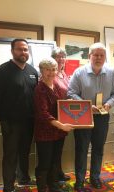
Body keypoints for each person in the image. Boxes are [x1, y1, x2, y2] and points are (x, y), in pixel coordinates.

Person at [0, 39, 38, 192]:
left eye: (25, 50)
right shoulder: (2, 71)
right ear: (12, 51)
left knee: (25, 152)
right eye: (19, 49)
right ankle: (9, 189)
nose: (23, 52)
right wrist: (5, 117)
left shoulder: (32, 71)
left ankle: (24, 178)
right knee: (10, 156)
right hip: (11, 122)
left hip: (29, 121)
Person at [67, 42, 114, 192]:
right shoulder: (79, 73)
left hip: (102, 117)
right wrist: (85, 105)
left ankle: (95, 177)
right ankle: (79, 180)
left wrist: (110, 104)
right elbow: (71, 92)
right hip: (84, 117)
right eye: (95, 55)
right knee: (82, 149)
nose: (98, 58)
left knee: (98, 148)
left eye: (101, 55)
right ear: (89, 56)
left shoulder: (111, 73)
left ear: (105, 57)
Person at [34, 57, 74, 192]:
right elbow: (43, 114)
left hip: (58, 132)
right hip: (45, 132)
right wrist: (61, 125)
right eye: (47, 69)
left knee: (55, 160)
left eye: (53, 69)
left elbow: (60, 103)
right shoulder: (40, 89)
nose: (51, 72)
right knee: (44, 163)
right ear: (42, 71)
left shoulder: (56, 85)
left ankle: (53, 185)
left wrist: (68, 105)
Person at [51, 47, 70, 182]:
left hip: (64, 115)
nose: (61, 59)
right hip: (53, 115)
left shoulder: (65, 75)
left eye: (63, 56)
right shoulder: (50, 74)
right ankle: (53, 177)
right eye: (58, 56)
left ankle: (58, 172)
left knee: (59, 148)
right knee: (52, 149)